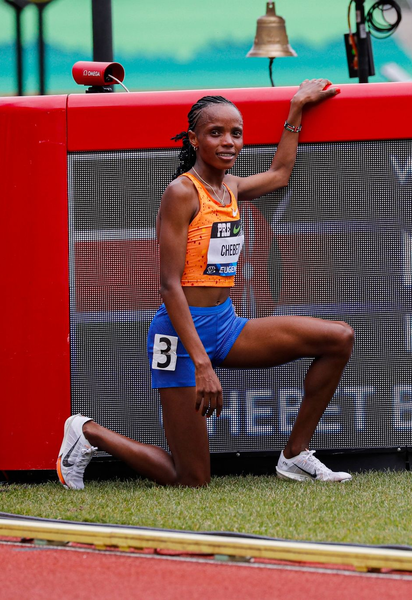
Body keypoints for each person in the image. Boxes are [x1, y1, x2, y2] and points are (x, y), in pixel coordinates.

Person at [57, 79, 356, 489]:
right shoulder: (181, 193)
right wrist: (201, 364)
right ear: (194, 139)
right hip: (179, 338)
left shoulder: (230, 186)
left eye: (236, 133)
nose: (229, 141)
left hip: (225, 325)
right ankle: (88, 432)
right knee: (192, 479)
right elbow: (168, 286)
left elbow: (280, 174)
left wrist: (297, 108)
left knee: (338, 338)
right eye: (216, 133)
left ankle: (295, 455)